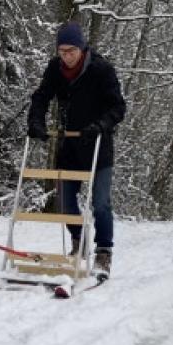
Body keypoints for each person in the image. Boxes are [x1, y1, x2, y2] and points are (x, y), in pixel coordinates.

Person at [27, 21, 127, 274]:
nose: (67, 57)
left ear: (82, 48)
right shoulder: (55, 69)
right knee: (64, 201)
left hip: (97, 146)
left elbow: (118, 107)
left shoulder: (101, 70)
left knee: (101, 203)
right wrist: (36, 123)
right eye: (62, 52)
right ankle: (78, 240)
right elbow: (41, 97)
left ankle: (104, 251)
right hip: (69, 145)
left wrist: (100, 124)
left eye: (71, 51)